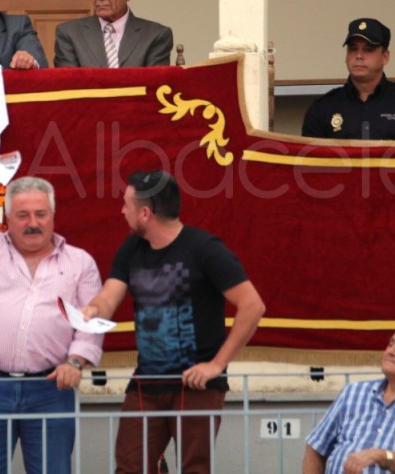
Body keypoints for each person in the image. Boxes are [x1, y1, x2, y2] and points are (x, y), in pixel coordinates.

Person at [81, 170, 265, 474]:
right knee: (129, 466)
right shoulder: (131, 249)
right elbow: (108, 298)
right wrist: (91, 310)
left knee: (195, 468)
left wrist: (217, 365)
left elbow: (252, 306)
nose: (121, 211)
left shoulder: (205, 249)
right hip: (146, 383)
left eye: (126, 205)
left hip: (196, 385)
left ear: (145, 213)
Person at [0, 153, 103, 474]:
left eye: (41, 214)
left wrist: (75, 362)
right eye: (23, 215)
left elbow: (90, 324)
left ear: (53, 215)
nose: (33, 223)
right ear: (9, 217)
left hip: (51, 389)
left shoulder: (79, 261)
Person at [303, 325, 395, 474]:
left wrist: (381, 456)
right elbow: (315, 446)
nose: (391, 351)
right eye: (390, 344)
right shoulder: (353, 392)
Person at [301, 18, 395, 139]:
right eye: (353, 49)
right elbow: (309, 163)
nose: (359, 55)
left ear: (385, 57)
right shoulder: (322, 108)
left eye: (368, 49)